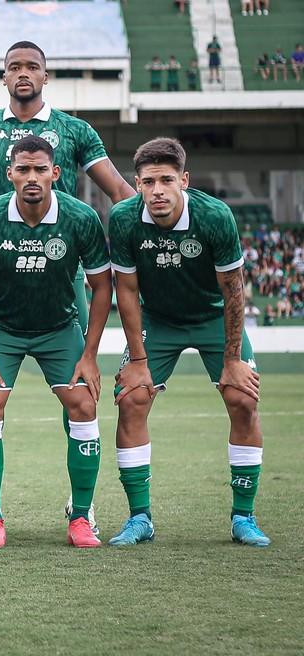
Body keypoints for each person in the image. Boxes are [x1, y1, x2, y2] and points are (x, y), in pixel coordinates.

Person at [0, 40, 134, 534]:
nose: (24, 74)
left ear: (46, 76)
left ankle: (83, 512)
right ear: (4, 77)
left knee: (82, 400)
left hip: (62, 283)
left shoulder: (74, 130)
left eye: (33, 66)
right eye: (15, 67)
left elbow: (117, 190)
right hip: (2, 278)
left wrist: (149, 234)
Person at [107, 137, 270, 548]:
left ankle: (243, 516)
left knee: (243, 399)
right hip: (158, 320)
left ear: (184, 179)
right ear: (137, 184)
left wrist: (233, 359)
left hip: (214, 315)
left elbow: (234, 289)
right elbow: (125, 290)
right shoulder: (124, 218)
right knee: (131, 398)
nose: (157, 190)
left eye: (166, 180)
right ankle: (139, 517)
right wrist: (138, 360)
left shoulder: (214, 216)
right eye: (148, 182)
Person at [0, 136, 112, 549]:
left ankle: (81, 515)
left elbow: (101, 286)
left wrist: (91, 354)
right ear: (9, 174)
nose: (31, 177)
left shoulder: (81, 218)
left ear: (55, 174)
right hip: (1, 327)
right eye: (23, 169)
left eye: (40, 169)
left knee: (83, 402)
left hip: (59, 328)